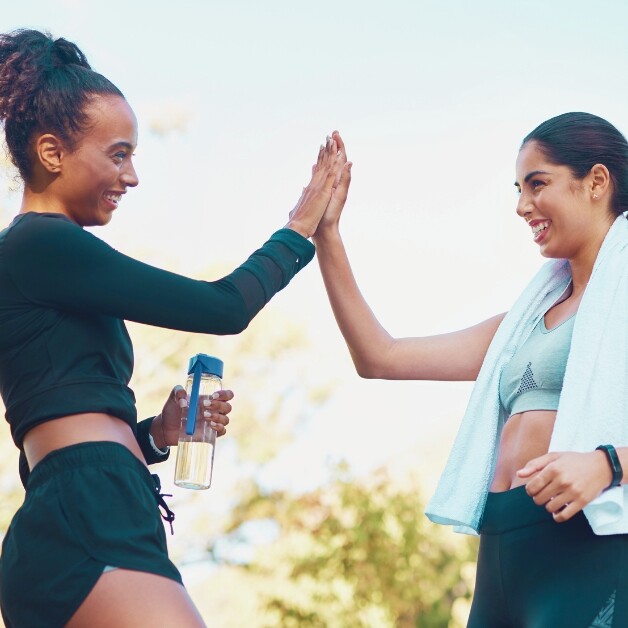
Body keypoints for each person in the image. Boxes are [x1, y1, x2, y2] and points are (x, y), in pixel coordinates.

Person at [0, 29, 347, 628]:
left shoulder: (41, 259)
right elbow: (221, 309)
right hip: (89, 512)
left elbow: (49, 439)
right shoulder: (41, 242)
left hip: (87, 506)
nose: (131, 176)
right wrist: (299, 229)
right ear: (52, 153)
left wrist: (157, 435)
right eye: (119, 154)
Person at [315, 118, 628, 626]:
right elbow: (380, 356)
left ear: (596, 182)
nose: (522, 206)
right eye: (519, 189)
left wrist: (608, 464)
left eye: (538, 183)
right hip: (503, 547)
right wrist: (327, 236)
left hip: (586, 547)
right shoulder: (521, 324)